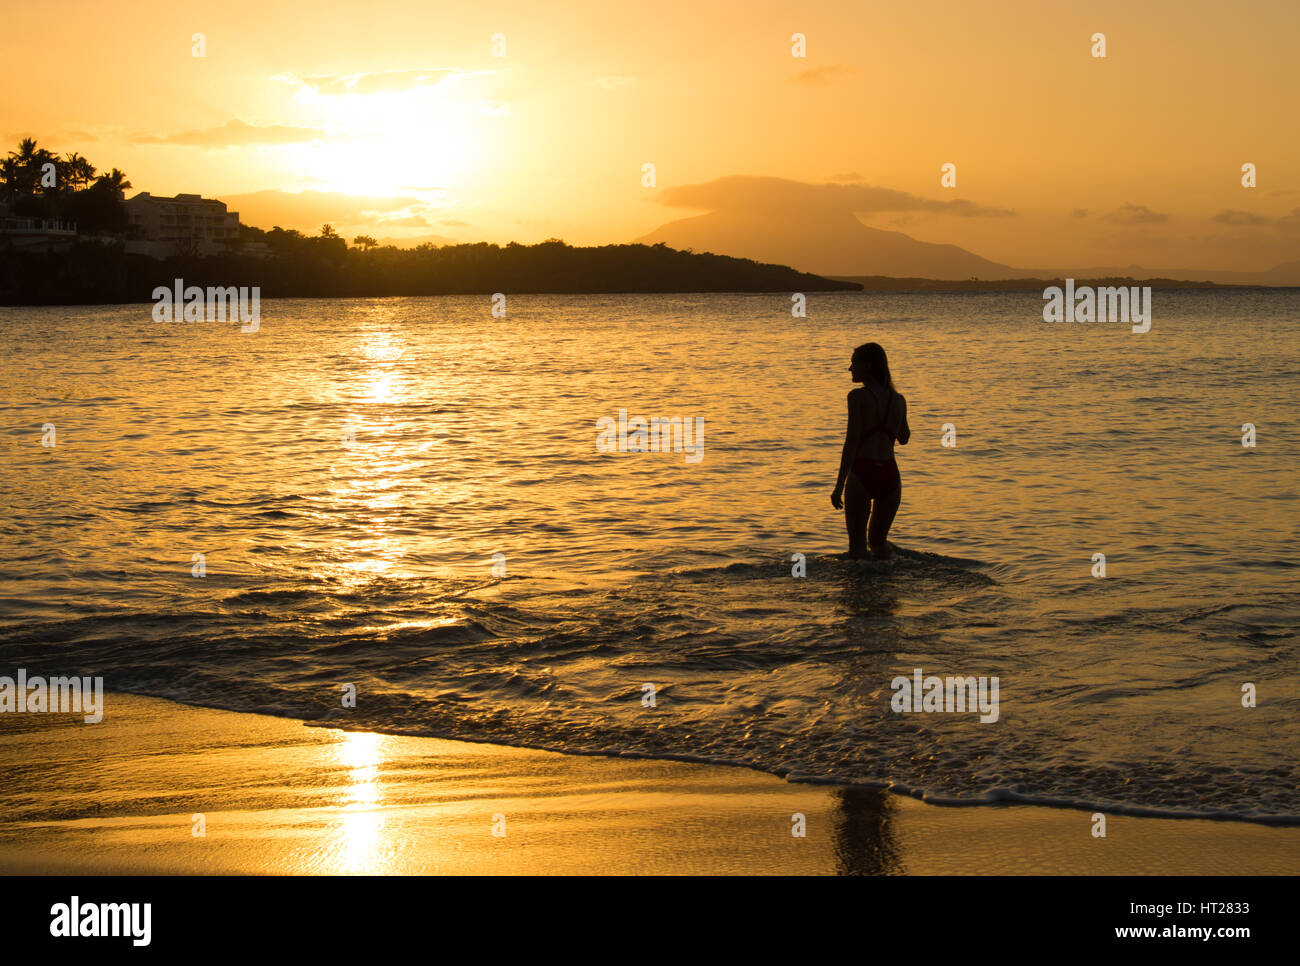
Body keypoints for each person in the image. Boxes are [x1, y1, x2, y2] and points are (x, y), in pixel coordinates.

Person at [831, 342, 911, 560]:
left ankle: (859, 592)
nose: (850, 369)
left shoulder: (857, 397)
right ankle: (888, 586)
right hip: (890, 475)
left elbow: (851, 442)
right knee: (878, 543)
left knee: (857, 549)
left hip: (863, 472)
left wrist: (839, 486)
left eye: (853, 363)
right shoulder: (899, 399)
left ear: (867, 366)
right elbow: (904, 438)